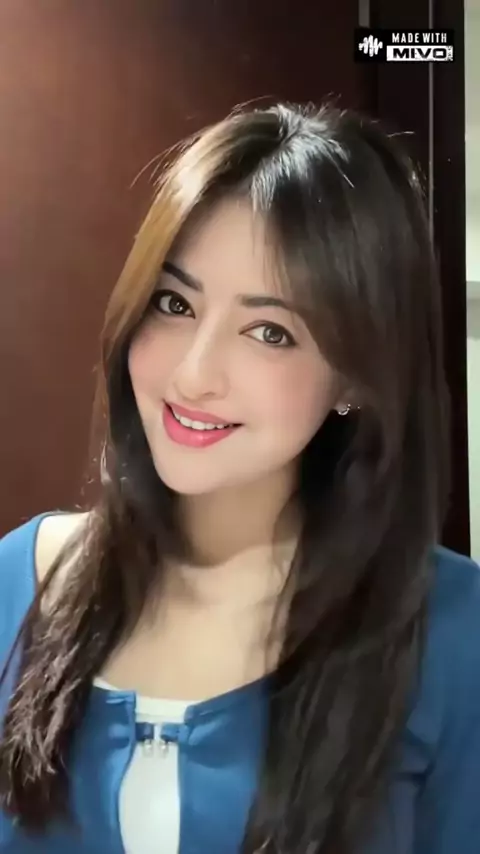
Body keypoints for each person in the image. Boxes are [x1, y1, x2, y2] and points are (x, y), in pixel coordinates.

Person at [0, 101, 479, 854]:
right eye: (174, 303)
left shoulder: (454, 631)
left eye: (269, 331)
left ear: (356, 376)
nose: (193, 375)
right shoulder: (15, 583)